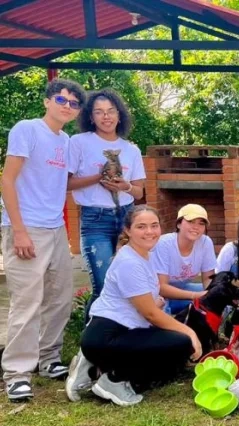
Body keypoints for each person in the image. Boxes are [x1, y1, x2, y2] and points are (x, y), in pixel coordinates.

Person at [0, 79, 86, 401]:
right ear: (48, 101)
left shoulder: (65, 141)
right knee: (27, 302)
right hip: (27, 228)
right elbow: (7, 180)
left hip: (55, 230)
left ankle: (48, 359)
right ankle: (17, 373)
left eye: (74, 103)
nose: (67, 105)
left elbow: (61, 185)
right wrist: (18, 229)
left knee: (59, 297)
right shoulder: (27, 129)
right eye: (62, 99)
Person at [65, 206, 202, 406]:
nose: (149, 232)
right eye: (141, 227)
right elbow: (150, 314)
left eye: (154, 226)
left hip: (123, 331)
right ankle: (113, 379)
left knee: (171, 366)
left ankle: (94, 368)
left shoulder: (145, 254)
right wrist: (190, 332)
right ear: (128, 230)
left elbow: (140, 302)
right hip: (106, 336)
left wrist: (156, 303)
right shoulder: (129, 262)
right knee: (181, 343)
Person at [68, 88, 146, 322]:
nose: (106, 116)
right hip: (95, 220)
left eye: (111, 111)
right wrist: (97, 178)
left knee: (128, 282)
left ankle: (122, 336)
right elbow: (67, 183)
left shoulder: (131, 149)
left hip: (127, 218)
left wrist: (125, 187)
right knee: (103, 285)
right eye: (99, 112)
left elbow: (140, 191)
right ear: (90, 117)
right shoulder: (79, 142)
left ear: (119, 115)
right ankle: (91, 345)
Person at [152, 204, 216, 315]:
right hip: (158, 294)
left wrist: (210, 295)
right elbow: (161, 287)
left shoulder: (205, 242)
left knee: (220, 294)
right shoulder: (163, 244)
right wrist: (195, 296)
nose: (196, 227)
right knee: (162, 317)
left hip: (183, 289)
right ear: (179, 224)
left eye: (201, 223)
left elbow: (208, 279)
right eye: (191, 221)